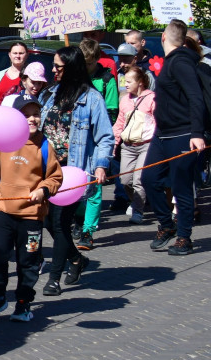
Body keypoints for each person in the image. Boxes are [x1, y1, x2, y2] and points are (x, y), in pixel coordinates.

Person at [0, 95, 63, 322]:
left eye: (35, 113)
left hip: (32, 216)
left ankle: (24, 303)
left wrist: (43, 190)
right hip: (3, 210)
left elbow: (55, 177)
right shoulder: (3, 142)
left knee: (29, 261)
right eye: (25, 115)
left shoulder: (45, 146)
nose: (32, 119)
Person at [39, 46, 113, 295]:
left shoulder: (92, 98)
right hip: (46, 170)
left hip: (73, 170)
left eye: (58, 66)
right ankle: (77, 259)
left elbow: (105, 137)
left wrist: (101, 165)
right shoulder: (50, 94)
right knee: (49, 221)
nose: (53, 70)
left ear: (70, 67)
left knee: (61, 223)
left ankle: (54, 278)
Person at [142, 19, 208, 256]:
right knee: (149, 178)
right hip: (162, 133)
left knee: (181, 188)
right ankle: (166, 226)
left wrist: (197, 133)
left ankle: (184, 237)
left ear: (163, 37)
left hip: (182, 134)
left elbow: (195, 98)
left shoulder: (181, 62)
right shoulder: (172, 61)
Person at [75, 38, 120, 251]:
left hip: (95, 138)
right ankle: (78, 219)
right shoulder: (74, 78)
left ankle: (88, 231)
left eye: (90, 63)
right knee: (75, 184)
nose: (86, 67)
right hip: (76, 139)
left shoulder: (106, 79)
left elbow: (112, 110)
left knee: (94, 187)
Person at [113, 66, 156, 224]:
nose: (125, 85)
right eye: (125, 81)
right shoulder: (125, 100)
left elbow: (158, 122)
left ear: (140, 83)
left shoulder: (151, 98)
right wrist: (114, 143)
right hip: (128, 146)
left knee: (138, 179)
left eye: (129, 81)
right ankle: (138, 200)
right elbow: (119, 124)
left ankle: (138, 211)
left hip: (145, 145)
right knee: (125, 180)